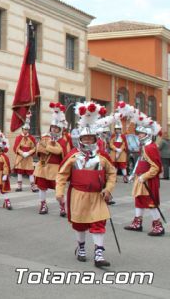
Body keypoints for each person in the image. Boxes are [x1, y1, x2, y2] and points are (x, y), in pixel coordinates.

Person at [56, 101, 117, 267]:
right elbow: (61, 175)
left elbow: (112, 174)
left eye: (91, 137)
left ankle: (99, 253)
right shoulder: (73, 156)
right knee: (80, 223)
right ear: (80, 139)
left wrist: (108, 189)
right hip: (78, 195)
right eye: (85, 137)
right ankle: (81, 247)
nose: (88, 140)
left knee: (98, 222)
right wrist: (59, 193)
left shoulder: (103, 156)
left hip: (97, 195)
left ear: (96, 138)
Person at [123, 110, 165, 236]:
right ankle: (137, 223)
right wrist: (133, 174)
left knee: (151, 202)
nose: (139, 135)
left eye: (141, 133)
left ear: (147, 134)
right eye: (139, 133)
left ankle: (158, 226)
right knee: (139, 200)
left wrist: (144, 176)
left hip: (148, 179)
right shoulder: (144, 146)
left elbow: (156, 167)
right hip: (140, 178)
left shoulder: (150, 147)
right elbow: (140, 161)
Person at [34, 102, 69, 217]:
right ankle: (43, 204)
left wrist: (48, 147)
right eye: (52, 128)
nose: (53, 130)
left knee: (58, 189)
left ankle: (62, 206)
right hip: (43, 166)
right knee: (42, 187)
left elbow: (60, 151)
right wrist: (45, 147)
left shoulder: (63, 141)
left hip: (55, 169)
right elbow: (39, 149)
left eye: (56, 128)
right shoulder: (45, 137)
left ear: (60, 129)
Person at [12, 116, 38, 193]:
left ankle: (33, 187)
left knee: (30, 171)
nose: (25, 131)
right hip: (20, 156)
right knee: (20, 171)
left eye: (27, 129)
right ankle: (19, 186)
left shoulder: (32, 138)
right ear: (22, 129)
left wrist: (28, 153)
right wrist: (22, 153)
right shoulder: (18, 137)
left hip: (28, 157)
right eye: (24, 129)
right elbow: (16, 147)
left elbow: (34, 147)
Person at [0, 129, 12, 210]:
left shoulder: (4, 157)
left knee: (4, 189)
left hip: (3, 175)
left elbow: (6, 166)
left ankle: (7, 201)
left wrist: (5, 174)